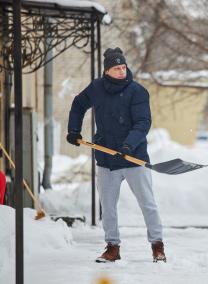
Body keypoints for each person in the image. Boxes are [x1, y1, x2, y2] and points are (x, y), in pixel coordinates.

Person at [66, 47, 166, 263]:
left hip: (133, 158)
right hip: (106, 159)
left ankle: (157, 247)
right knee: (108, 206)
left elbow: (143, 122)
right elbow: (78, 105)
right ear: (107, 71)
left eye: (123, 67)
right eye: (116, 68)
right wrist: (74, 130)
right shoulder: (96, 88)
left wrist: (129, 145)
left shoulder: (137, 91)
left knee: (147, 203)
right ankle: (113, 247)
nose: (121, 71)